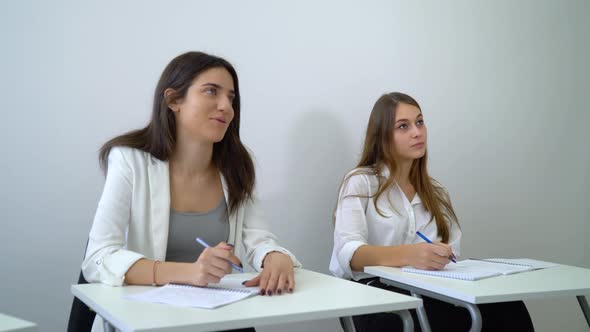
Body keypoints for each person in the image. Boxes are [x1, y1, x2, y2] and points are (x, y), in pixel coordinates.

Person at [82, 51, 301, 332]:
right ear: (174, 100)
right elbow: (98, 257)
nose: (226, 106)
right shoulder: (129, 160)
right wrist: (190, 272)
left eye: (231, 98)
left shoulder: (236, 166)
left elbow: (260, 240)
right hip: (148, 320)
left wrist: (275, 257)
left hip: (219, 318)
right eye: (212, 91)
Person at [329, 92, 533, 331]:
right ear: (383, 136)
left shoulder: (436, 191)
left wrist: (440, 255)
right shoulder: (361, 182)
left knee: (508, 307)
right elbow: (349, 254)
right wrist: (411, 255)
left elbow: (452, 252)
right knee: (430, 319)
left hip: (430, 290)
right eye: (403, 126)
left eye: (419, 122)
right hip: (376, 296)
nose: (417, 132)